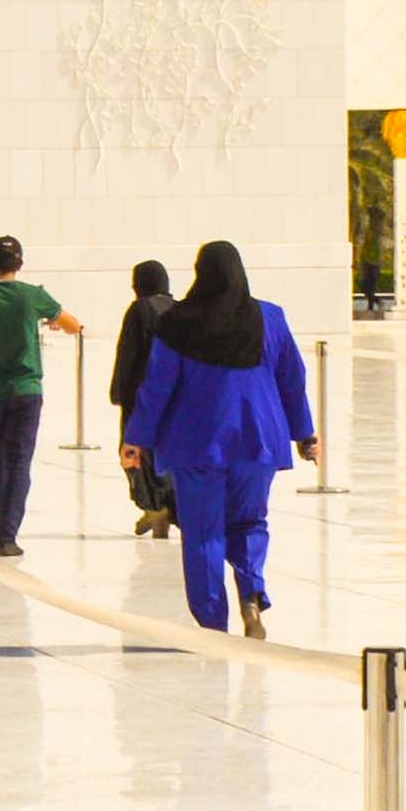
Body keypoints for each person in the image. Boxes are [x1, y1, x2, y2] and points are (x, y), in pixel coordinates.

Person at [118, 243, 317, 636]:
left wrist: (136, 439)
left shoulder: (177, 323)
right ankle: (251, 593)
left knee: (203, 531)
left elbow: (156, 388)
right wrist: (304, 432)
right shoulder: (270, 318)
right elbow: (291, 379)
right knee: (250, 520)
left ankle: (212, 624)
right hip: (258, 440)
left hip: (197, 443)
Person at [0, 237, 83, 557]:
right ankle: (8, 533)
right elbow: (73, 325)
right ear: (20, 265)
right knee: (19, 461)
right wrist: (50, 319)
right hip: (27, 392)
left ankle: (1, 524)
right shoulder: (32, 296)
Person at [111, 255, 179, 537]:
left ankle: (154, 507)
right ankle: (167, 507)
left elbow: (128, 354)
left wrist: (118, 392)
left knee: (134, 453)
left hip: (139, 397)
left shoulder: (140, 310)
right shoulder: (178, 309)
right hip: (174, 398)